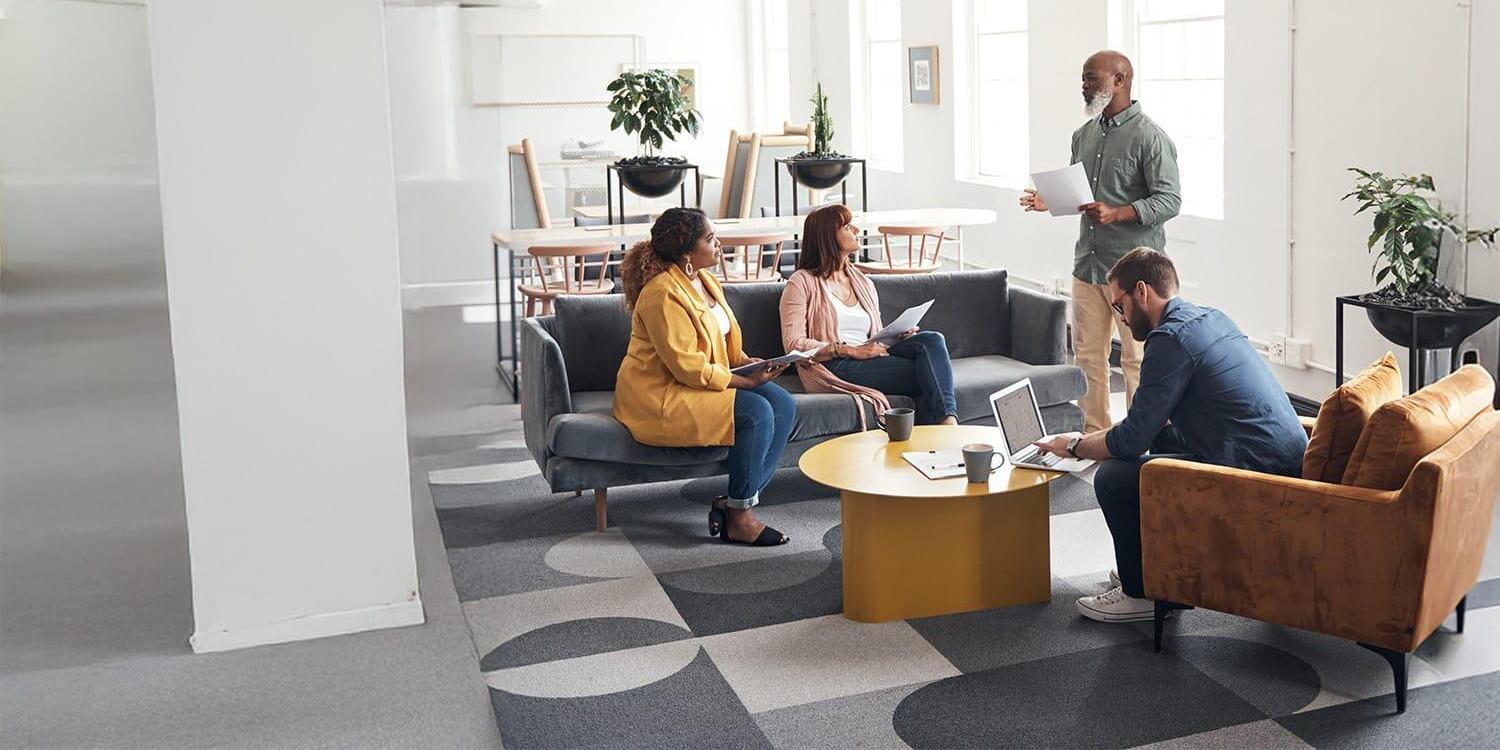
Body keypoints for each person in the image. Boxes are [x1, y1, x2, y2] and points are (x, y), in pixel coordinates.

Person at [1032, 248, 1308, 622]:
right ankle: (1151, 569)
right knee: (1160, 442)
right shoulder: (1210, 317)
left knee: (1113, 477)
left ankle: (1142, 592)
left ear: (1141, 292)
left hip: (1255, 473)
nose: (1122, 320)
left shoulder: (1169, 340)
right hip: (1279, 456)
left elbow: (1129, 442)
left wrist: (1076, 446)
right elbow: (1146, 428)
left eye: (1120, 306)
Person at [1020, 50, 1181, 434]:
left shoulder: (1151, 138)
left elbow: (1169, 199)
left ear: (1120, 80)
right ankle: (1095, 436)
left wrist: (1118, 212)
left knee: (1137, 359)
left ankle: (1144, 437)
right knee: (1088, 356)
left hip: (1136, 275)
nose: (1084, 85)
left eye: (1091, 78)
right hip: (1088, 267)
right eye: (1083, 78)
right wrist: (1050, 201)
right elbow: (1084, 196)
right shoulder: (1083, 136)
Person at [614, 208, 795, 547]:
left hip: (696, 382)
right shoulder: (661, 293)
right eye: (711, 239)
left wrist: (748, 363)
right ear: (687, 252)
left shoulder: (704, 279)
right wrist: (743, 382)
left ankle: (734, 503)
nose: (719, 244)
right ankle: (740, 518)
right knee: (755, 412)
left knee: (782, 403)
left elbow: (720, 343)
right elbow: (688, 366)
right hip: (661, 394)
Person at [779, 203, 958, 427]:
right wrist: (850, 350)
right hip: (835, 365)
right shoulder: (801, 282)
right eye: (846, 226)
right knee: (929, 373)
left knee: (931, 340)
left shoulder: (862, 281)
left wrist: (897, 336)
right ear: (827, 237)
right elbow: (793, 345)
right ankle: (946, 429)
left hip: (869, 356)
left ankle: (946, 424)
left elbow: (875, 336)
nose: (855, 229)